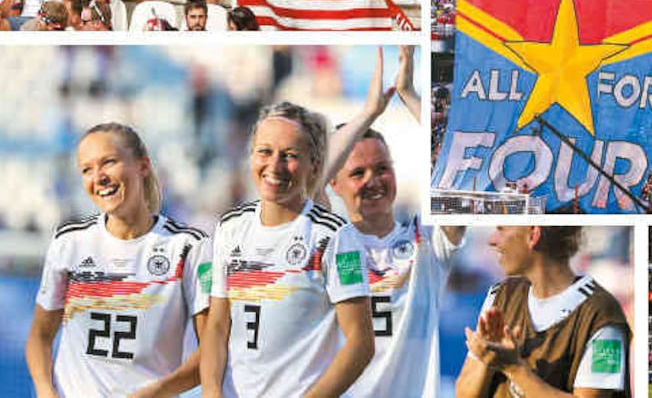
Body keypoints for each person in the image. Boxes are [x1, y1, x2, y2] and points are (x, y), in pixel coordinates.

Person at [199, 102, 375, 396]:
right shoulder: (230, 227)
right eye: (265, 151)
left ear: (314, 166)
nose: (275, 166)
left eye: (290, 155)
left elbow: (361, 343)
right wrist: (212, 392)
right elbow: (217, 326)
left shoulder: (336, 237)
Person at [24, 124, 210, 396]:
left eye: (108, 162)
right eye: (87, 169)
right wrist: (45, 390)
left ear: (143, 166)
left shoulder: (189, 247)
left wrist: (156, 392)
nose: (98, 177)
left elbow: (213, 349)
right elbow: (39, 336)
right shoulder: (69, 242)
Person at [325, 46, 464, 396]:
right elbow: (302, 189)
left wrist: (409, 94)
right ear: (333, 182)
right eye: (358, 172)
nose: (374, 180)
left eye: (383, 168)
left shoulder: (427, 244)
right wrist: (368, 114)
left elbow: (460, 163)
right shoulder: (322, 244)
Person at [456, 226, 630, 398]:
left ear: (533, 235)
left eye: (501, 229)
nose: (492, 240)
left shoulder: (603, 315)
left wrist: (514, 368)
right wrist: (487, 359)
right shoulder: (501, 296)